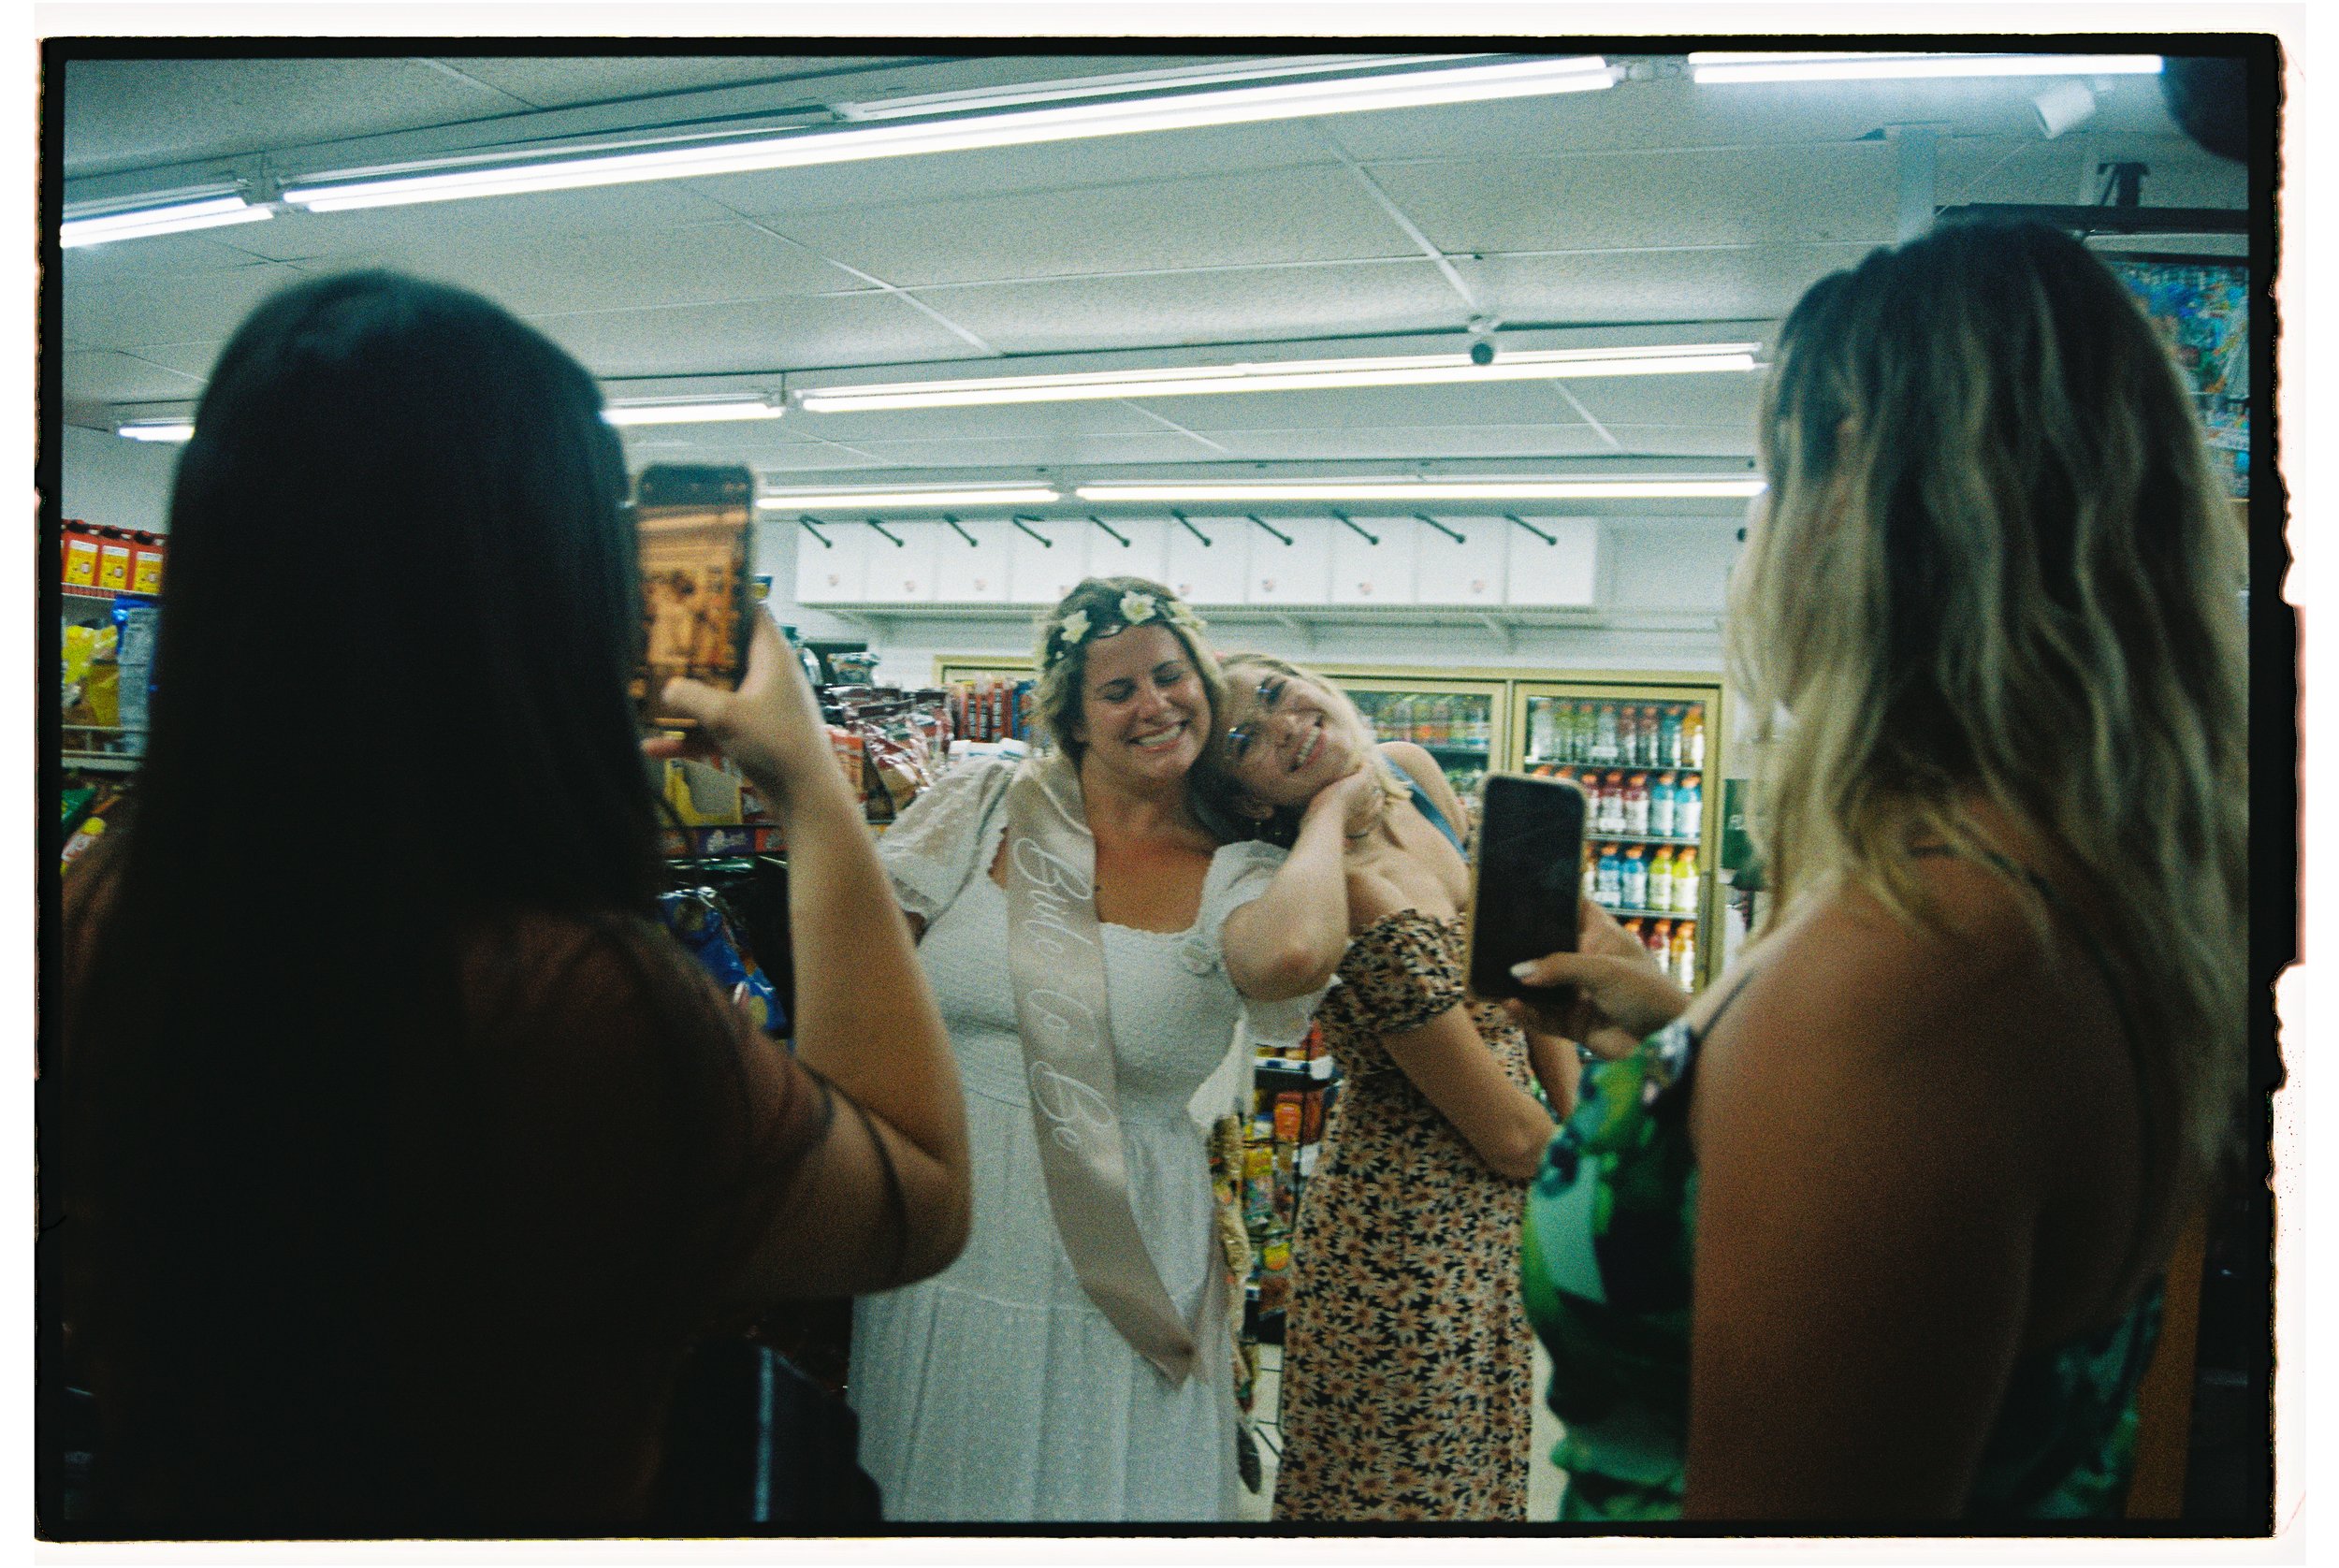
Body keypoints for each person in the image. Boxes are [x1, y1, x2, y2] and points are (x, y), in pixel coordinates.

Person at [49, 272, 971, 1535]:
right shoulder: (569, 1004)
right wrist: (808, 784)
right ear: (544, 577)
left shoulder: (102, 898)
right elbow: (913, 1198)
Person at [1508, 219, 2250, 1523]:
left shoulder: (1907, 973)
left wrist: (1784, 1048)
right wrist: (1693, 1048)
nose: (1760, 536)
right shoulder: (2071, 898)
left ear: (1865, 492)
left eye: (1773, 478)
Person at [847, 578, 1359, 1522]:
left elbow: (1291, 957)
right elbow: (858, 974)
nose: (1155, 704)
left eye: (1171, 676)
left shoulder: (1238, 869)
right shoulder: (986, 806)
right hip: (958, 1216)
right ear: (1073, 717)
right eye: (1117, 690)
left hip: (1124, 1244)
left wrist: (1331, 809)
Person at [1192, 655, 1580, 1521]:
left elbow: (1524, 976)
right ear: (1252, 801)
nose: (1285, 723)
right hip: (1406, 1235)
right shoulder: (1345, 890)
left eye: (1274, 691)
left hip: (1501, 1207)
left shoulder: (1411, 769)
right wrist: (1616, 1173)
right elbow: (1508, 1140)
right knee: (1409, 1491)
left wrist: (1587, 1115)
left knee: (1482, 1468)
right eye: (1246, 741)